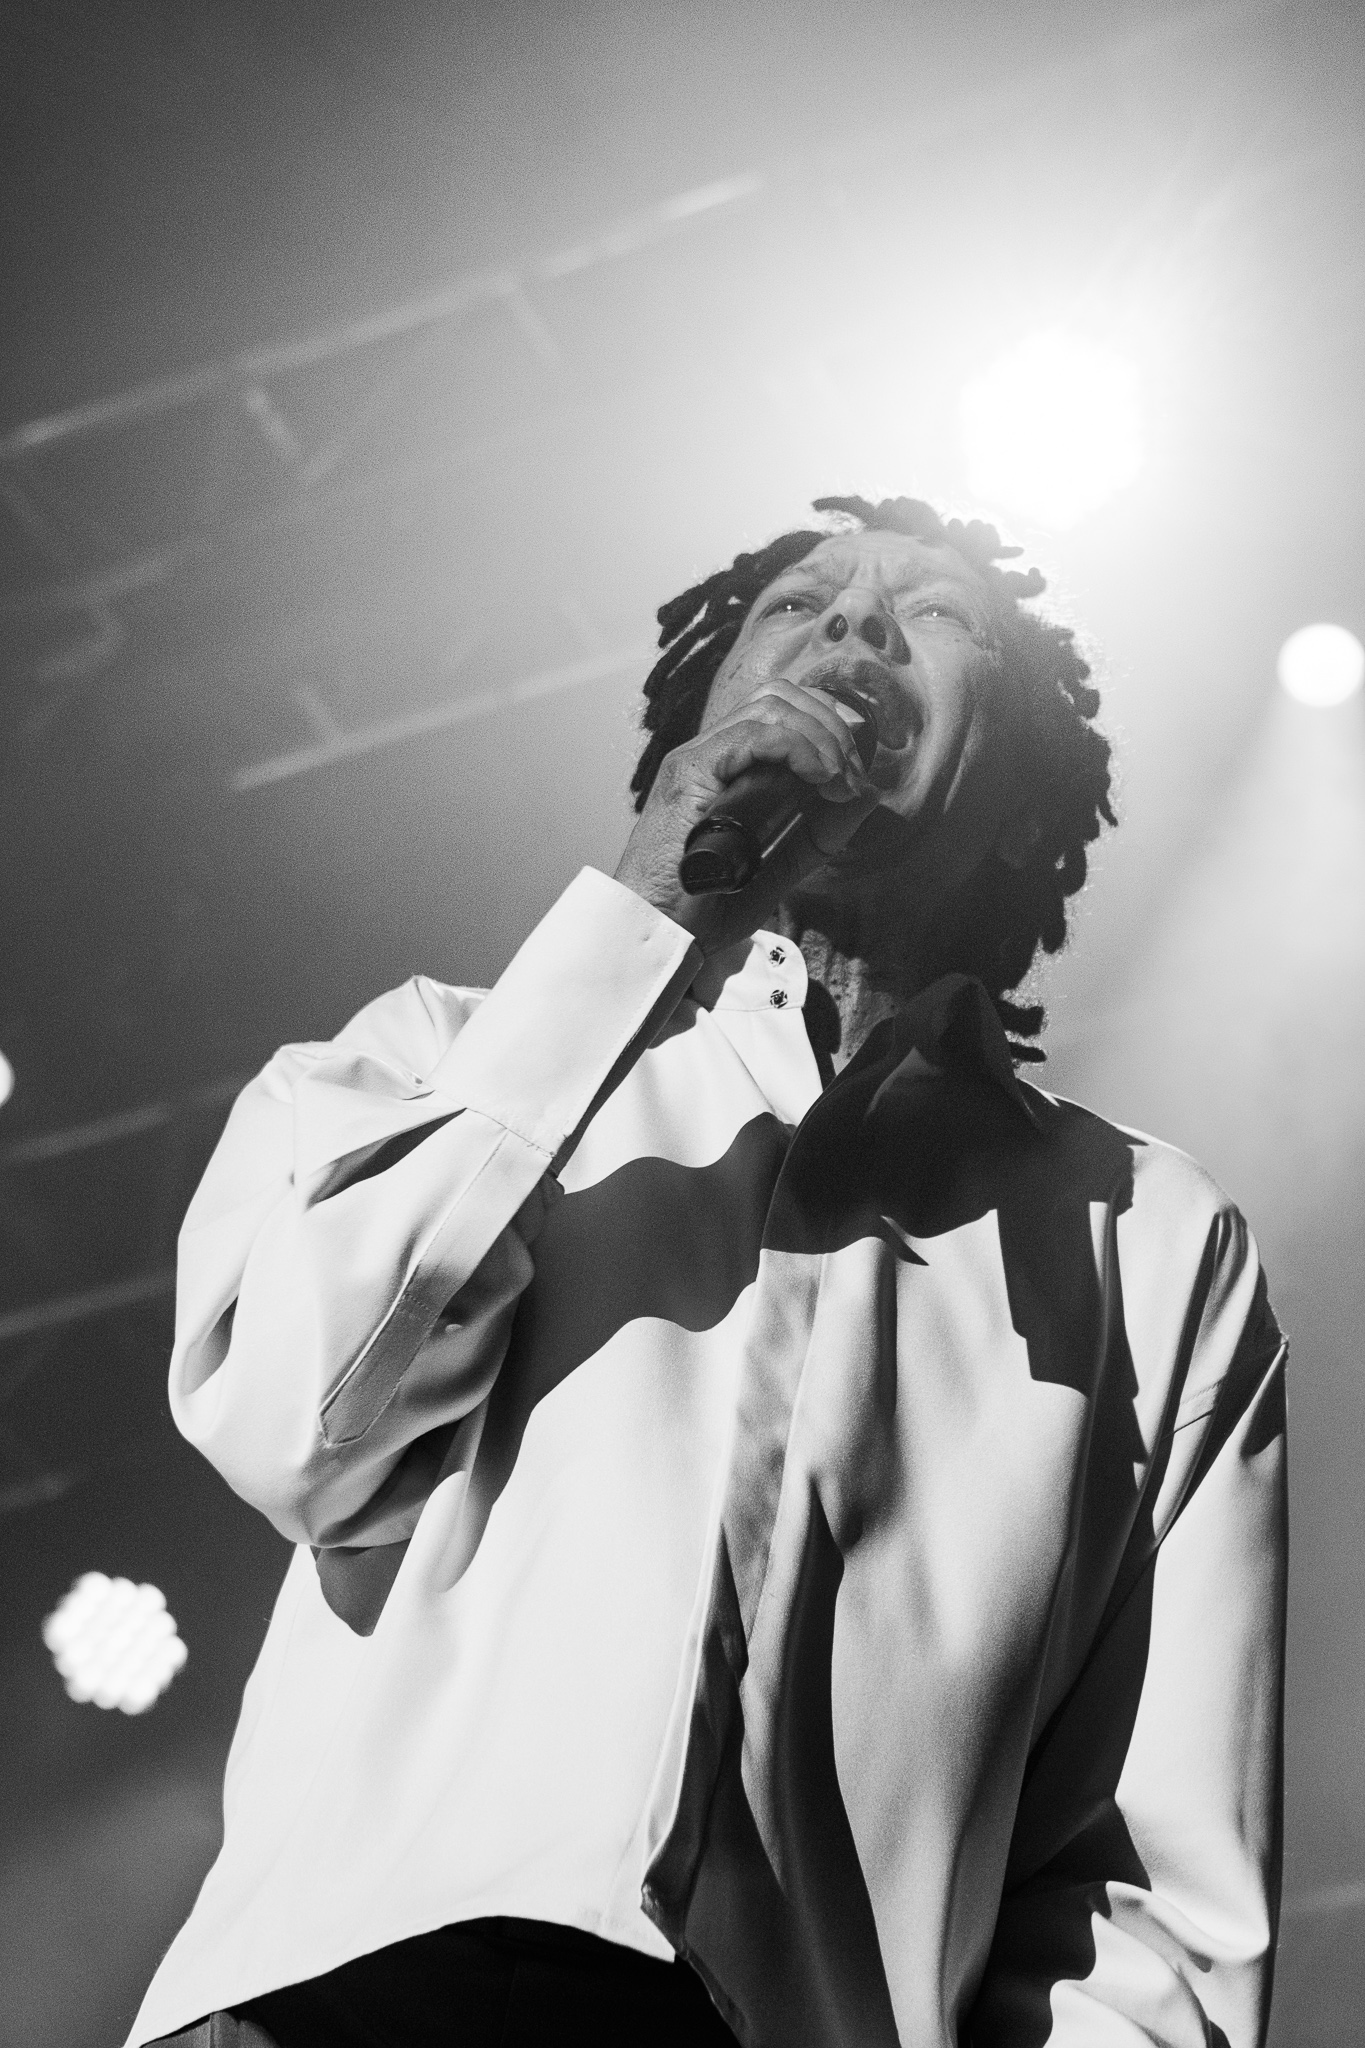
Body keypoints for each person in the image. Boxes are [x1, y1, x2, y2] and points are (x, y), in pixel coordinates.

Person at [132, 496, 1286, 2048]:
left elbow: (1141, 1898)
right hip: (329, 2000)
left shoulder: (1145, 1231)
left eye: (934, 616)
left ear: (1023, 804)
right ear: (698, 727)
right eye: (799, 605)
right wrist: (651, 909)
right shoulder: (426, 1059)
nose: (856, 626)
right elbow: (298, 1426)